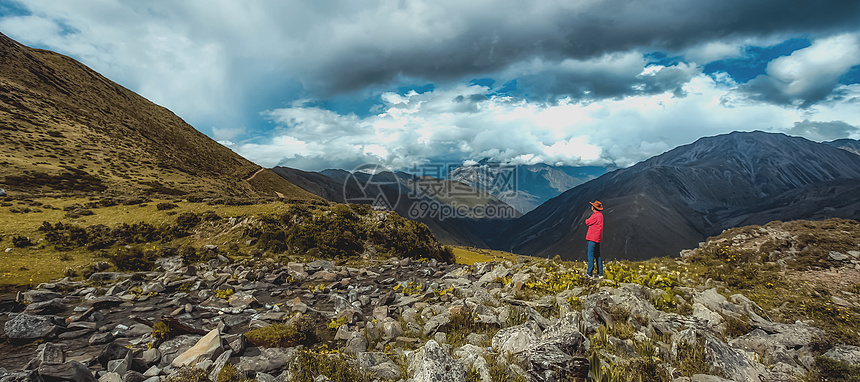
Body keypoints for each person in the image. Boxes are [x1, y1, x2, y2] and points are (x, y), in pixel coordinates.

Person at [585, 200, 604, 279]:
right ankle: (600, 273)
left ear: (594, 208)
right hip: (598, 238)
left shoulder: (595, 215)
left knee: (590, 256)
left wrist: (586, 219)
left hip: (592, 238)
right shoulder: (601, 215)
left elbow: (587, 222)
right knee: (598, 256)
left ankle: (589, 273)